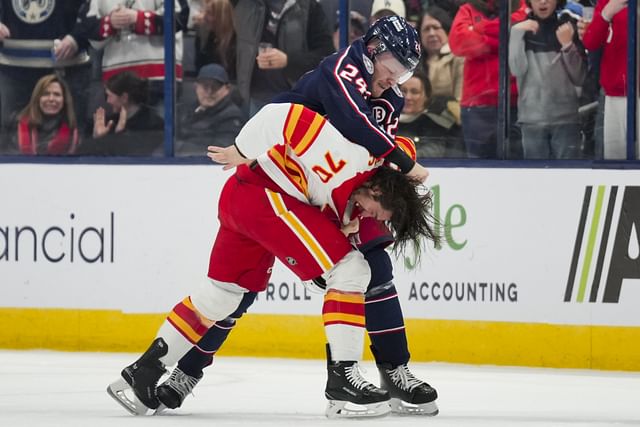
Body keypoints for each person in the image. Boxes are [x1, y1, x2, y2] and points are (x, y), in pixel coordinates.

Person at [159, 16, 440, 417]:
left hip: (337, 187)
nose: (393, 82)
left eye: (404, 74)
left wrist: (361, 203)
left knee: (375, 266)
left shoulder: (389, 94)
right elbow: (352, 124)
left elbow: (371, 152)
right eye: (392, 70)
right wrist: (402, 157)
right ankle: (186, 371)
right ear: (374, 50)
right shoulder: (344, 66)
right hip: (285, 181)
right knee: (242, 286)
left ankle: (393, 371)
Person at [107, 102, 438, 418]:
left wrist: (344, 223)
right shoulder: (351, 158)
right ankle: (343, 380)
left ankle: (143, 372)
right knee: (351, 269)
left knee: (222, 297)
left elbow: (381, 163)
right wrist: (241, 148)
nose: (370, 217)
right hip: (266, 198)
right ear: (381, 188)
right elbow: (284, 116)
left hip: (241, 197)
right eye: (377, 212)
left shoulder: (360, 184)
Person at [0, 0, 92, 147]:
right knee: (8, 139)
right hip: (13, 70)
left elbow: (95, 7)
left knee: (72, 140)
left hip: (69, 69)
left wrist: (78, 37)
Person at [449, 0, 527, 159]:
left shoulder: (522, 6)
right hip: (478, 104)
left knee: (518, 165)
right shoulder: (468, 9)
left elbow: (523, 34)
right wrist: (503, 39)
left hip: (515, 101)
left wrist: (479, 28)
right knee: (478, 169)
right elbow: (458, 43)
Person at [509, 0, 587, 159]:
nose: (543, 2)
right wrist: (516, 33)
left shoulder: (568, 26)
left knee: (568, 176)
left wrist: (567, 45)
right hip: (532, 119)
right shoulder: (520, 29)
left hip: (566, 119)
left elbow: (580, 77)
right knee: (535, 179)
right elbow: (517, 69)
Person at [232, 0, 335, 115]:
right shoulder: (245, 4)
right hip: (253, 97)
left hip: (296, 100)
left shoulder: (311, 8)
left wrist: (288, 61)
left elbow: (326, 55)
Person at [83, 0, 189, 109]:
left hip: (158, 77)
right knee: (120, 124)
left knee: (158, 124)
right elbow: (88, 28)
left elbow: (180, 17)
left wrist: (139, 18)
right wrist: (110, 22)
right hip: (116, 81)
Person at [581, 0, 632, 159]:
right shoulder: (607, 2)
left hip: (629, 90)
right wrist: (605, 14)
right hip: (614, 92)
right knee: (614, 157)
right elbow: (590, 42)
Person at [78, 71, 163, 156]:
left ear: (124, 97)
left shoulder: (154, 125)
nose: (107, 101)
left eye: (110, 96)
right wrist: (97, 139)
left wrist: (119, 138)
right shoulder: (109, 123)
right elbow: (82, 155)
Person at [175, 63, 246, 156]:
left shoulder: (232, 117)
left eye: (215, 87)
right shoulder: (185, 111)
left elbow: (220, 150)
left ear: (227, 89)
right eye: (205, 86)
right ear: (196, 87)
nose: (209, 92)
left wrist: (179, 147)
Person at [9, 74, 79, 156]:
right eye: (46, 94)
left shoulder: (73, 133)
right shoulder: (16, 127)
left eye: (57, 94)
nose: (51, 99)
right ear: (37, 98)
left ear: (64, 100)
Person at [417, 6, 463, 129]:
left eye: (436, 28)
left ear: (447, 30)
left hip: (450, 126)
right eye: (426, 29)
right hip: (416, 123)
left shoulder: (459, 58)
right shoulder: (413, 61)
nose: (432, 33)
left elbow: (460, 102)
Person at [399, 71, 464, 157]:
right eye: (403, 91)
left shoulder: (434, 122)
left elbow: (433, 151)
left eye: (414, 92)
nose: (408, 97)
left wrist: (400, 159)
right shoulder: (388, 119)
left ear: (426, 96)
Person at [191, 0, 236, 79]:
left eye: (209, 13)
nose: (204, 16)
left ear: (221, 16)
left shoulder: (234, 43)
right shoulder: (209, 38)